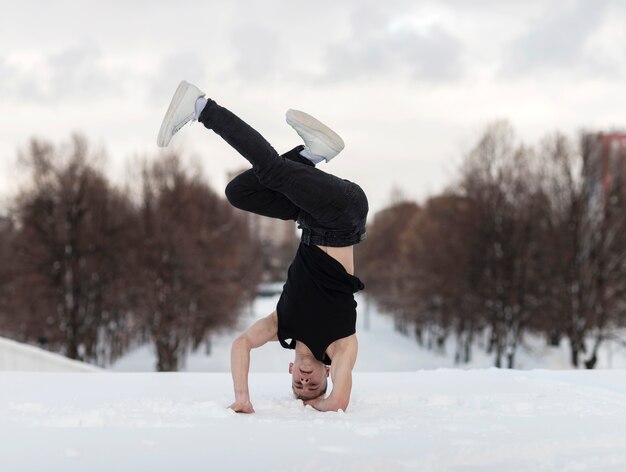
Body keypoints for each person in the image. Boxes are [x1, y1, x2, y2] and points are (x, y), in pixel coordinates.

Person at [157, 81, 368, 412]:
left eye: (298, 384)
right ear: (328, 372)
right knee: (272, 172)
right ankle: (201, 107)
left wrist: (242, 396)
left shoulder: (280, 326)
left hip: (309, 218)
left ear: (290, 369)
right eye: (314, 385)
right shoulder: (340, 346)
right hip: (343, 216)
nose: (305, 380)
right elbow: (339, 400)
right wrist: (320, 404)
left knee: (239, 192)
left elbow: (241, 344)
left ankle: (311, 153)